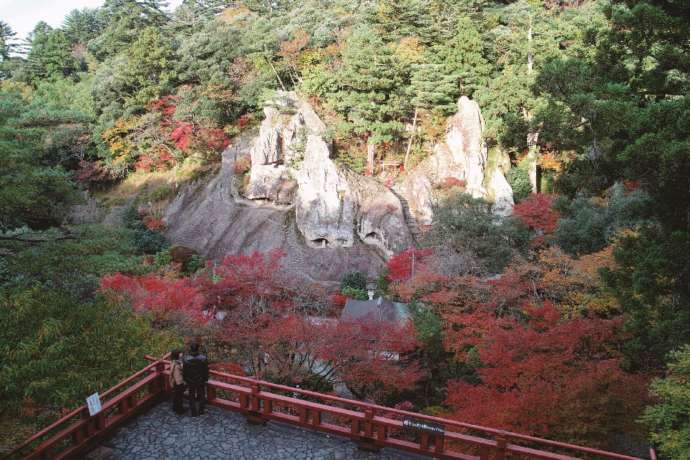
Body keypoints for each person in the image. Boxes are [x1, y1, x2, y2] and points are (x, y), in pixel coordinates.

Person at [183, 343, 209, 416]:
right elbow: (206, 370)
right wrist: (205, 378)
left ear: (191, 349)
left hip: (190, 380)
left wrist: (185, 379)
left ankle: (193, 412)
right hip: (201, 380)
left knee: (191, 395)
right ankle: (201, 411)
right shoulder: (203, 358)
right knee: (201, 395)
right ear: (198, 349)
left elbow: (185, 371)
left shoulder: (186, 359)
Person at [169, 350, 186, 414]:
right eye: (180, 353)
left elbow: (171, 373)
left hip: (174, 381)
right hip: (179, 381)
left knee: (176, 395)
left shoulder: (173, 362)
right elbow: (182, 370)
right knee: (179, 396)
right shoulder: (178, 363)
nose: (181, 354)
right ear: (177, 355)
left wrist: (170, 381)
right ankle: (180, 410)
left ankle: (175, 407)